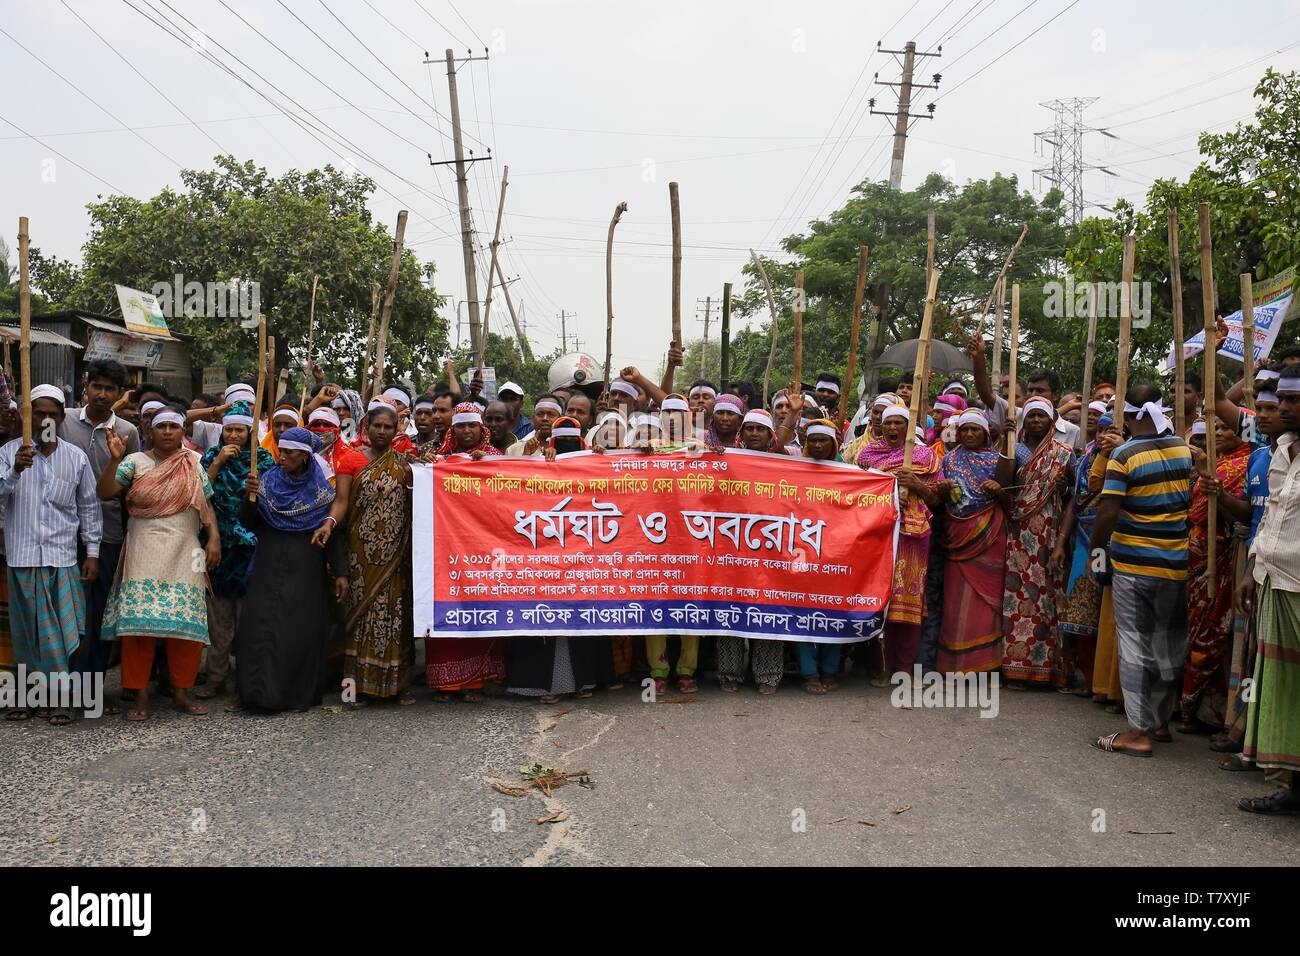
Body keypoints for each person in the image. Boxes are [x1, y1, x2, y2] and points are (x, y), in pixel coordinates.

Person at [99, 404, 220, 721]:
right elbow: (107, 492)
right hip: (143, 546)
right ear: (150, 430)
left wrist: (215, 538)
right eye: (161, 426)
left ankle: (182, 692)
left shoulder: (194, 462)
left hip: (187, 547)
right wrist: (113, 459)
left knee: (188, 628)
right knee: (139, 628)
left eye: (173, 427)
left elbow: (205, 504)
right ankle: (140, 697)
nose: (167, 432)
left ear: (183, 431)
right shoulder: (133, 462)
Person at [1089, 386, 1192, 758]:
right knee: (1169, 644)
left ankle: (1138, 732)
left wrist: (1098, 550)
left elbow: (1108, 511)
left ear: (1130, 416)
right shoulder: (1184, 449)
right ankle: (1159, 722)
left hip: (1133, 563)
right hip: (1175, 563)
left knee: (1135, 645)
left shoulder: (1124, 454)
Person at [0, 385, 102, 725]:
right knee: (27, 633)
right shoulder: (9, 453)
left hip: (62, 558)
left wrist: (92, 553)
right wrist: (15, 471)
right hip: (22, 556)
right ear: (28, 417)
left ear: (61, 418)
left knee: (61, 632)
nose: (46, 419)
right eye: (38, 412)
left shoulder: (75, 458)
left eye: (53, 413)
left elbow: (88, 508)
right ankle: (26, 697)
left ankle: (59, 699)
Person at [235, 427, 348, 711]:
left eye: (290, 453)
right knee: (259, 626)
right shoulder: (266, 483)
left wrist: (341, 572)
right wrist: (248, 497)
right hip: (267, 565)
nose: (282, 457)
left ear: (306, 456)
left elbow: (332, 533)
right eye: (281, 452)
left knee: (299, 631)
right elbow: (248, 522)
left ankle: (295, 695)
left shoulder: (322, 492)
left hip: (306, 568)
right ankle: (256, 695)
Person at [512, 418, 617, 702]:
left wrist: (598, 460)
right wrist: (534, 460)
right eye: (563, 442)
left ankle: (583, 681)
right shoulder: (537, 461)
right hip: (543, 551)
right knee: (545, 621)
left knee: (580, 621)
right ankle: (547, 685)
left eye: (574, 442)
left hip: (583, 555)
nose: (568, 448)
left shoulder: (593, 462)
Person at [1237, 370, 1300, 812]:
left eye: (1296, 400)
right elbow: (1270, 517)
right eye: (1284, 400)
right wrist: (1251, 567)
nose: (1287, 408)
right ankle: (1293, 788)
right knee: (1281, 687)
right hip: (1274, 578)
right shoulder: (1280, 450)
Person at [59, 360, 140, 703]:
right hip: (64, 532)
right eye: (98, 387)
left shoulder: (127, 431)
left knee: (100, 609)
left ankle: (89, 686)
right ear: (86, 387)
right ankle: (63, 685)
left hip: (108, 531)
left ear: (119, 394)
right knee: (67, 610)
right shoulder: (62, 421)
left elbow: (133, 482)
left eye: (110, 389)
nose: (102, 394)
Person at [1219, 388, 1285, 760]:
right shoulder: (1261, 458)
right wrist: (1220, 496)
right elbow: (1248, 514)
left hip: (1286, 571)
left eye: (1272, 408)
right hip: (1255, 562)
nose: (1263, 415)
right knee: (1249, 654)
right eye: (1258, 408)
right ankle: (1245, 729)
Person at [194, 402, 275, 699]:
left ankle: (249, 680)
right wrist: (217, 465)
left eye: (240, 430)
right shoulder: (210, 457)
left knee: (248, 619)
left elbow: (271, 503)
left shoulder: (262, 460)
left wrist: (259, 488)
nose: (234, 436)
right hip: (217, 546)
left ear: (250, 432)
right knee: (218, 618)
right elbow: (199, 494)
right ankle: (216, 676)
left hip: (250, 549)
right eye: (229, 430)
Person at [424, 404, 504, 699]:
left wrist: (490, 466)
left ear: (481, 428)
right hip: (445, 549)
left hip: (482, 548)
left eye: (472, 426)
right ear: (452, 429)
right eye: (461, 426)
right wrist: (428, 464)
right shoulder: (438, 459)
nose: (466, 431)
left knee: (477, 611)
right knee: (447, 609)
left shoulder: (494, 458)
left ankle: (476, 682)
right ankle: (445, 683)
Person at [1179, 412, 1251, 732]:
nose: (1218, 432)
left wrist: (1208, 481)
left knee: (1211, 633)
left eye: (1225, 427)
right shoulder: (1219, 460)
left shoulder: (1244, 464)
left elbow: (1200, 511)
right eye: (1215, 427)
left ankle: (1205, 710)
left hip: (1219, 557)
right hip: (1195, 557)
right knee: (1194, 629)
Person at [857, 404, 941, 679]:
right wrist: (889, 487)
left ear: (908, 428)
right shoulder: (868, 456)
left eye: (898, 423)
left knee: (908, 603)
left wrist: (916, 485)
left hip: (912, 538)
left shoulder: (926, 457)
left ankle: (903, 666)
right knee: (875, 600)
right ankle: (878, 665)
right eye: (887, 423)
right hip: (877, 535)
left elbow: (938, 501)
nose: (892, 428)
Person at [342, 402, 416, 705]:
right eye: (377, 426)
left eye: (388, 426)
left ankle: (395, 688)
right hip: (360, 554)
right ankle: (354, 689)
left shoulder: (406, 465)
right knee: (360, 617)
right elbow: (341, 502)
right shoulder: (350, 460)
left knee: (394, 615)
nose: (382, 431)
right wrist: (328, 522)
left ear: (397, 429)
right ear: (366, 427)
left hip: (396, 555)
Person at [1001, 397, 1074, 686]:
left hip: (1049, 535)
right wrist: (1004, 441)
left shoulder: (1064, 453)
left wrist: (1065, 486)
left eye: (1041, 416)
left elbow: (1073, 499)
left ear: (1052, 422)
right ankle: (1015, 667)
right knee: (1018, 599)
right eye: (1030, 416)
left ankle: (1049, 669)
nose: (1035, 421)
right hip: (1019, 534)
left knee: (1047, 599)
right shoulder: (1014, 449)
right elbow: (1005, 485)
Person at [935, 410, 1011, 673]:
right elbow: (940, 501)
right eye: (964, 430)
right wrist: (942, 489)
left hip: (990, 534)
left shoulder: (999, 461)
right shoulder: (948, 460)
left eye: (974, 430)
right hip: (956, 535)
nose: (968, 434)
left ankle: (988, 664)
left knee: (988, 600)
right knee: (955, 599)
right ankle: (955, 664)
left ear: (985, 433)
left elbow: (1012, 501)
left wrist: (999, 492)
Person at [1054, 402, 1110, 694]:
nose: (1102, 436)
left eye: (1109, 431)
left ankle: (1099, 680)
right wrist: (1062, 542)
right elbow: (1074, 504)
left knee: (1104, 610)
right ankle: (1080, 672)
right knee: (1077, 607)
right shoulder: (1085, 459)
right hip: (1082, 540)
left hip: (1109, 543)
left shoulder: (1125, 459)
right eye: (1099, 430)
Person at [796, 418, 847, 693]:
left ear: (833, 444)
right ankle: (809, 673)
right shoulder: (793, 470)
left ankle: (829, 669)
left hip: (836, 553)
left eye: (822, 440)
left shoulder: (848, 473)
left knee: (832, 612)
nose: (817, 445)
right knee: (801, 612)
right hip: (801, 551)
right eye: (812, 440)